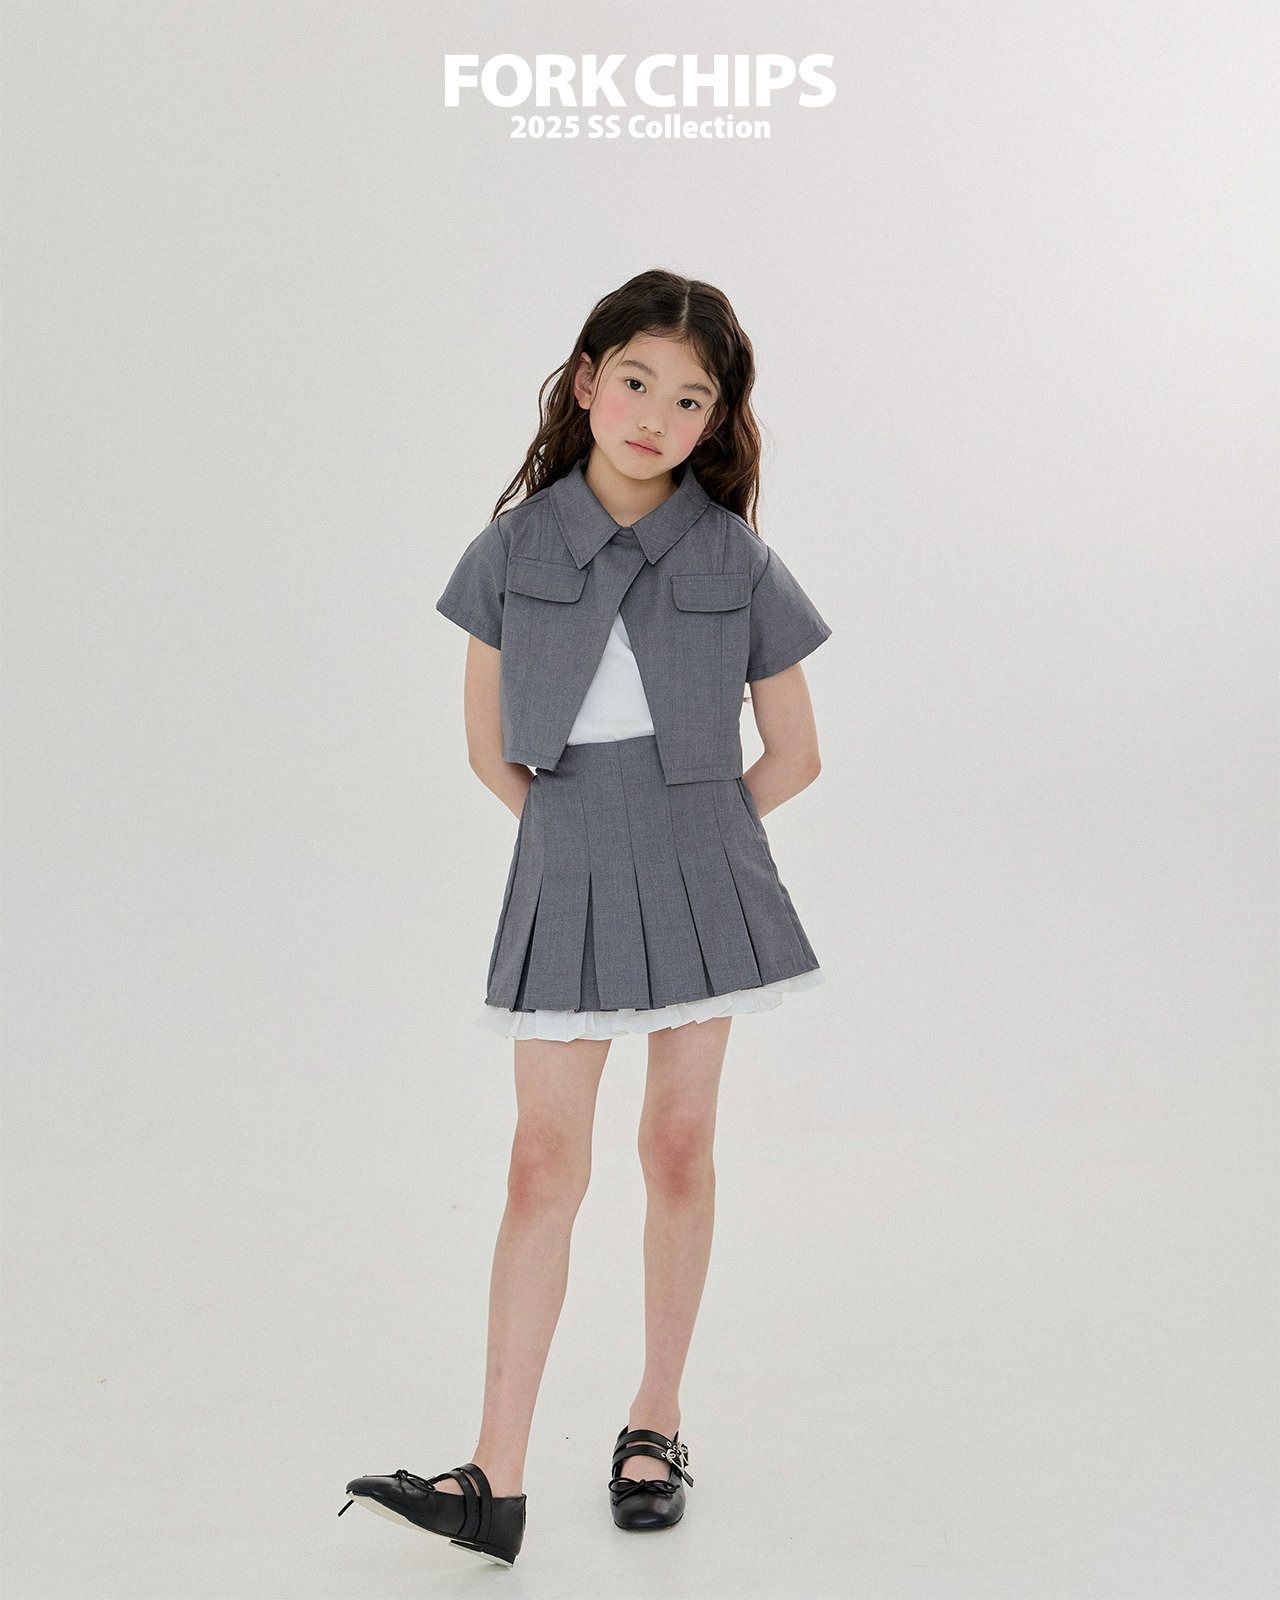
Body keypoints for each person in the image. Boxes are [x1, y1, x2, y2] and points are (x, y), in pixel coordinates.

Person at [338, 268, 833, 1567]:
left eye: (691, 399)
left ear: (717, 420)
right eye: (635, 382)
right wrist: (582, 843)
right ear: (585, 381)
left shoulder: (735, 556)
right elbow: (485, 749)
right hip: (565, 863)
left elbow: (795, 754)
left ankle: (654, 1424)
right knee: (541, 1167)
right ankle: (491, 1479)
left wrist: (695, 842)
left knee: (677, 1147)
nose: (656, 416)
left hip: (704, 865)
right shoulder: (512, 550)